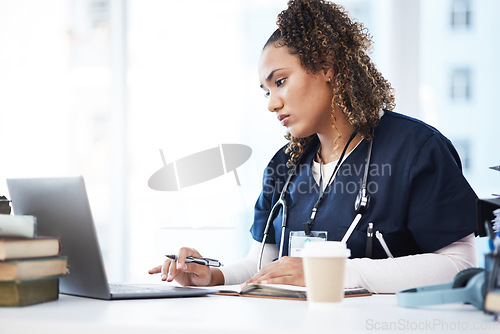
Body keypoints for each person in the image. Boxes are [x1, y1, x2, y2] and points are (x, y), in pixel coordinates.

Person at [148, 0, 478, 293]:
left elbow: (458, 265)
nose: (271, 103)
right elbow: (263, 266)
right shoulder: (284, 166)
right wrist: (212, 276)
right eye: (265, 91)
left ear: (325, 67)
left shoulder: (416, 150)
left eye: (280, 82)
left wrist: (330, 273)